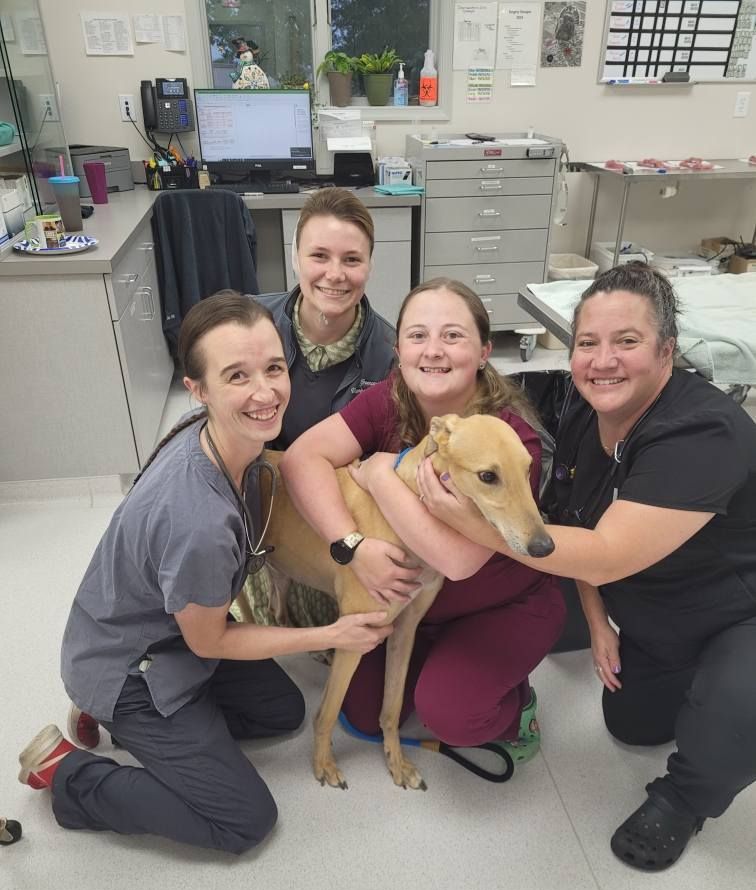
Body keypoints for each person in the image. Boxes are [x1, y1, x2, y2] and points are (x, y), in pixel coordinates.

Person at [17, 291, 391, 854]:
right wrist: (332, 634)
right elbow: (211, 637)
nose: (265, 393)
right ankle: (69, 774)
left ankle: (151, 733)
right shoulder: (199, 518)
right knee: (243, 819)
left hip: (161, 637)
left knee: (283, 711)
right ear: (198, 389)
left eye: (272, 368)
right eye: (237, 376)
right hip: (133, 668)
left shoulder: (220, 437)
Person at [414, 263, 756, 871]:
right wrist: (598, 623)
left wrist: (469, 524)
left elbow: (606, 551)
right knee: (631, 726)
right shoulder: (584, 417)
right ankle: (693, 680)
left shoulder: (705, 431)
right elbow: (573, 521)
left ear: (667, 351)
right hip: (652, 607)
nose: (603, 361)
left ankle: (683, 801)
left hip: (739, 611)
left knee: (733, 720)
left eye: (627, 341)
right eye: (587, 344)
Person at [280, 277, 566, 760]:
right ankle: (437, 665)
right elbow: (299, 459)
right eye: (417, 335)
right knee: (363, 714)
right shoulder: (392, 397)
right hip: (416, 601)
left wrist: (380, 477)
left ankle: (516, 708)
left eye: (453, 335)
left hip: (498, 602)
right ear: (399, 349)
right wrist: (352, 543)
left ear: (483, 352)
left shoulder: (511, 444)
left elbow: (456, 563)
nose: (433, 350)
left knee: (451, 714)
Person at [237, 186, 396, 627]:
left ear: (369, 265)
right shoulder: (249, 324)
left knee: (332, 639)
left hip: (325, 519)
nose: (335, 274)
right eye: (319, 256)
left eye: (351, 260)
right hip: (251, 499)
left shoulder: (390, 356)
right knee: (240, 625)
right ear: (294, 256)